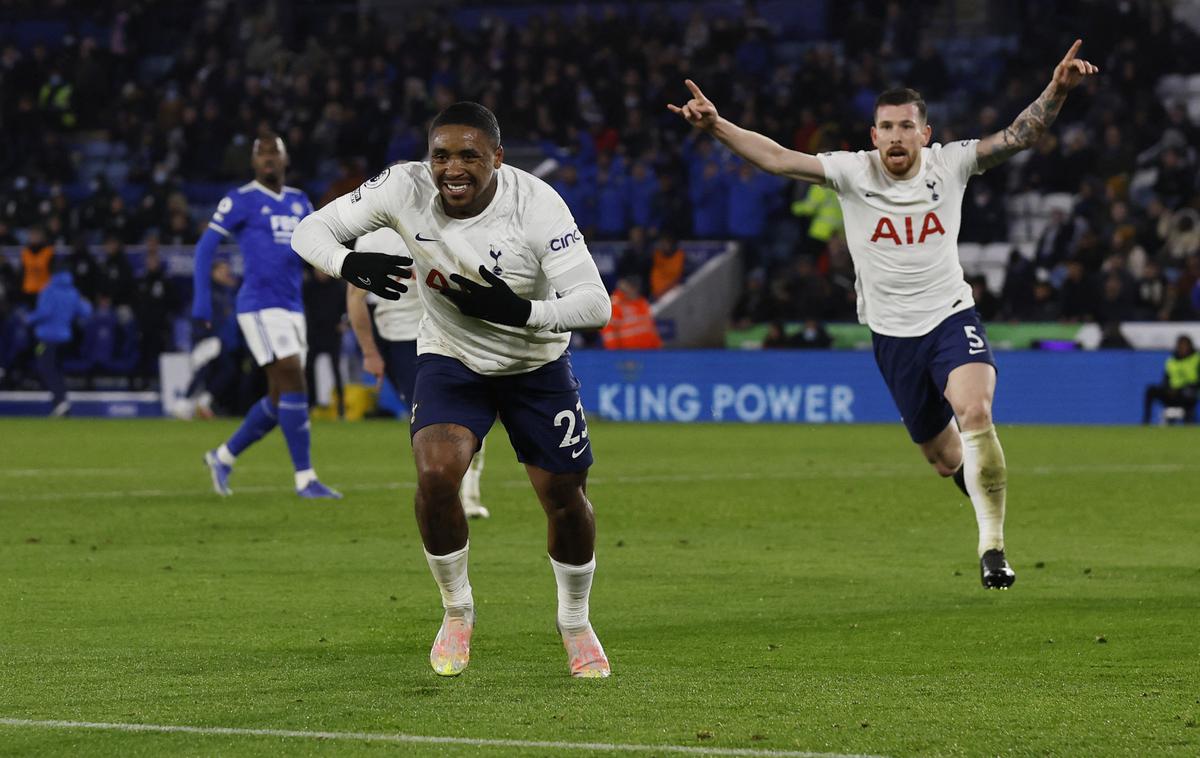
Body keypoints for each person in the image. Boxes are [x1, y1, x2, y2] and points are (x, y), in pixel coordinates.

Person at [670, 39, 1100, 589]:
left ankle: (992, 548)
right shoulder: (852, 172)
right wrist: (717, 125)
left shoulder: (953, 163)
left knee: (974, 411)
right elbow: (778, 158)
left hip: (951, 317)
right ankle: (984, 494)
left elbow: (1020, 135)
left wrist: (1057, 89)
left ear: (926, 133)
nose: (896, 136)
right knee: (947, 459)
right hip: (892, 337)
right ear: (873, 136)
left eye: (906, 126)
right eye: (886, 127)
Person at [292, 102, 612, 678]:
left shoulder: (537, 205)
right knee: (437, 475)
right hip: (450, 356)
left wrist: (520, 311)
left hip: (535, 366)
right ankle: (456, 611)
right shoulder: (401, 185)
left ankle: (574, 620)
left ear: (497, 159)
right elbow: (308, 229)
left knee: (564, 497)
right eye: (441, 155)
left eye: (470, 155)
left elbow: (596, 305)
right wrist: (348, 264)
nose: (453, 168)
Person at [192, 133, 341, 499]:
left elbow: (315, 245)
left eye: (275, 153)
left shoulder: (298, 201)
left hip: (292, 307)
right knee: (293, 380)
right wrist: (201, 302)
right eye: (262, 154)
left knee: (280, 398)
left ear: (286, 159)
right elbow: (205, 247)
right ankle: (305, 479)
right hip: (259, 305)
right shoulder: (240, 200)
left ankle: (222, 457)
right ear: (254, 162)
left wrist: (324, 264)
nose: (268, 159)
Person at [345, 225, 491, 519]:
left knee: (468, 414)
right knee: (429, 426)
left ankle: (469, 492)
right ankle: (445, 491)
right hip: (399, 341)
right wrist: (371, 352)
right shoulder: (374, 237)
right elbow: (355, 297)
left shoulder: (445, 224)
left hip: (445, 334)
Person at [28, 257, 92, 417]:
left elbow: (44, 312)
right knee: (55, 370)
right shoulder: (73, 292)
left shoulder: (48, 290)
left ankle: (60, 401)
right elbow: (86, 311)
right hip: (65, 338)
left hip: (47, 338)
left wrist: (28, 318)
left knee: (45, 368)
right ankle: (62, 401)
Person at [1142, 335, 1199, 424]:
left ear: (1190, 346)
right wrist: (1168, 389)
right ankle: (1146, 421)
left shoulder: (1196, 359)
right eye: (1180, 346)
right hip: (1172, 393)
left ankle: (1188, 420)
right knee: (1151, 390)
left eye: (1185, 346)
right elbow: (1165, 380)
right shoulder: (1171, 361)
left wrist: (1181, 388)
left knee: (1188, 392)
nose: (1182, 349)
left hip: (1188, 393)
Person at [601, 277, 662, 349]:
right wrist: (614, 353)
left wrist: (657, 345)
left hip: (648, 351)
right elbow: (609, 331)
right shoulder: (616, 304)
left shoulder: (642, 303)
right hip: (626, 353)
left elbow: (650, 327)